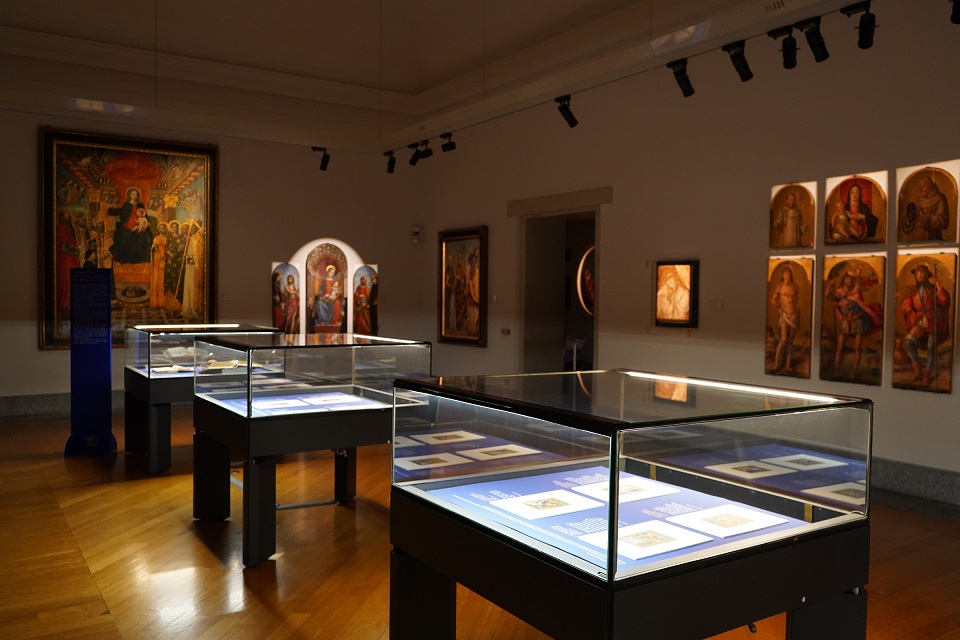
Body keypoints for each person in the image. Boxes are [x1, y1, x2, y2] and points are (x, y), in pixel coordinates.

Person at [901, 264, 951, 386]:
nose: (919, 276)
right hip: (919, 318)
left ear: (926, 275)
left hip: (932, 319)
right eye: (917, 274)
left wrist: (939, 288)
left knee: (930, 347)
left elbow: (944, 300)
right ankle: (917, 370)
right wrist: (907, 307)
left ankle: (927, 374)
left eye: (921, 273)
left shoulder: (933, 288)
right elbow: (907, 301)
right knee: (908, 341)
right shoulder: (913, 289)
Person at [826, 270, 882, 379]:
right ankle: (836, 370)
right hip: (846, 321)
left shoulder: (856, 291)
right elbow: (828, 295)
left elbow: (849, 300)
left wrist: (838, 303)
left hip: (858, 321)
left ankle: (853, 372)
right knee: (839, 347)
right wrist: (830, 284)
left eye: (851, 279)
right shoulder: (839, 292)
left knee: (857, 348)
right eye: (847, 279)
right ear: (843, 281)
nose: (849, 281)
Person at [108, 187, 154, 263]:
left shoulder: (140, 205)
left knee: (144, 235)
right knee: (123, 234)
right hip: (128, 224)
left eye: (136, 195)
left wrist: (147, 222)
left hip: (139, 224)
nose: (135, 196)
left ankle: (140, 257)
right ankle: (125, 256)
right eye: (133, 194)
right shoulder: (126, 205)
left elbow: (144, 215)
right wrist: (111, 211)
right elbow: (122, 214)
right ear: (130, 195)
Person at [900, 175, 950, 241]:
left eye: (923, 187)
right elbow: (909, 223)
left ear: (930, 186)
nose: (921, 189)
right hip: (916, 237)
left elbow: (943, 221)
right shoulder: (919, 201)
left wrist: (927, 217)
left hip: (932, 237)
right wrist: (909, 219)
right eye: (920, 188)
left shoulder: (940, 199)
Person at [770, 267, 800, 373]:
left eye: (789, 274)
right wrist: (780, 307)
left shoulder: (795, 287)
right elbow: (773, 300)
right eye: (785, 274)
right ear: (783, 276)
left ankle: (788, 365)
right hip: (785, 315)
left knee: (791, 341)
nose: (787, 276)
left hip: (794, 315)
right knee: (783, 339)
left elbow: (795, 300)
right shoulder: (780, 286)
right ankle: (776, 364)